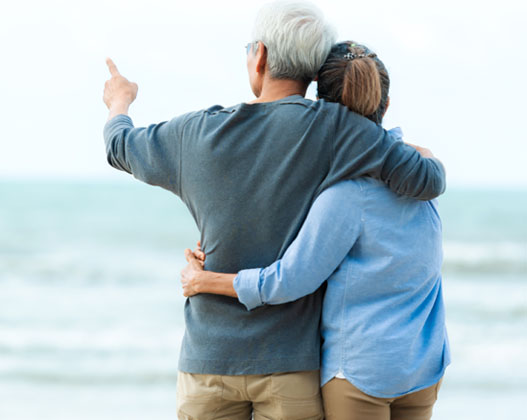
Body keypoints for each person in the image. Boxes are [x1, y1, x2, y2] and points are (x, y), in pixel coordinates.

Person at [102, 1, 446, 418]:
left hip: (207, 360)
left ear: (259, 55)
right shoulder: (340, 129)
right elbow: (426, 180)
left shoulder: (193, 134)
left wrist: (119, 103)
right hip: (291, 366)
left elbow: (120, 147)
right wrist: (415, 150)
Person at [179, 41, 450, 420]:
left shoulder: (347, 195)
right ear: (385, 105)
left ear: (321, 111)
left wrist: (204, 281)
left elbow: (288, 280)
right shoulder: (422, 172)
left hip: (361, 375)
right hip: (424, 366)